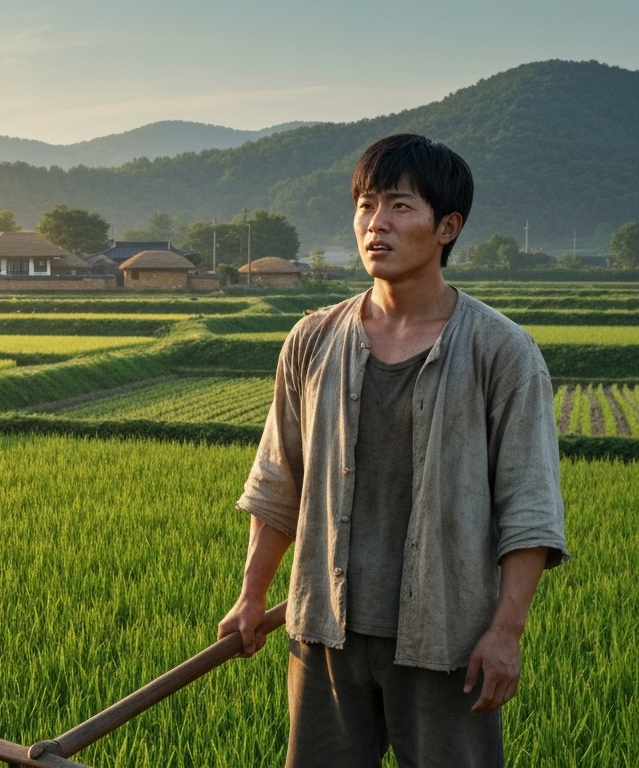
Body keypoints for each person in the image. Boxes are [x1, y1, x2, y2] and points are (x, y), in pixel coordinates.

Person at [217, 134, 569, 767]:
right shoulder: (312, 340)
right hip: (324, 630)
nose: (376, 224)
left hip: (446, 640)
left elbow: (530, 507)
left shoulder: (501, 352)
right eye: (366, 205)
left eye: (401, 206)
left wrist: (506, 632)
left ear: (447, 227)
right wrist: (250, 595)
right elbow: (278, 482)